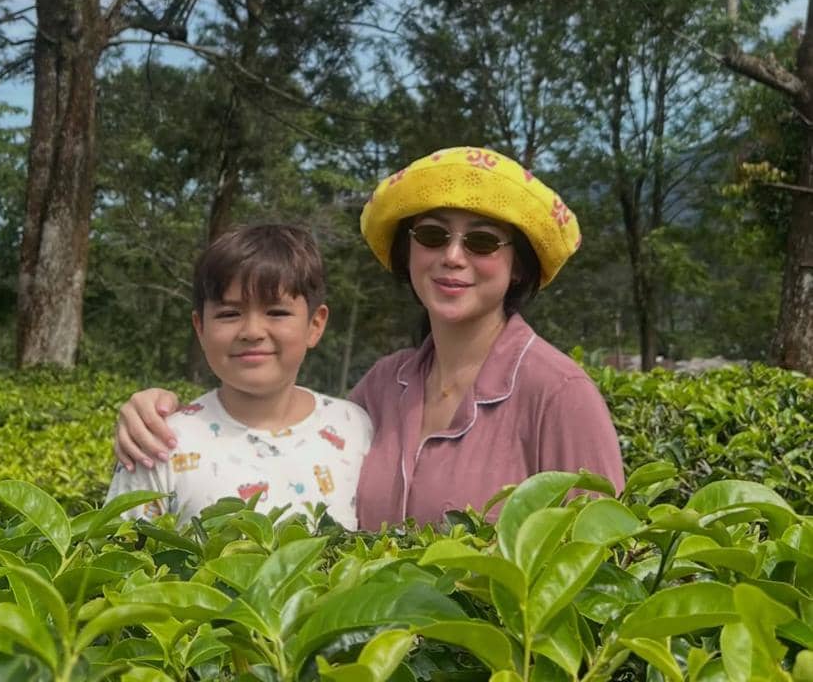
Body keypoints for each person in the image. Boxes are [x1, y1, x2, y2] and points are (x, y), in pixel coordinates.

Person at [114, 147, 624, 527]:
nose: (452, 255)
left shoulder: (557, 394)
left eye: (483, 240)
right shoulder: (383, 388)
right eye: (431, 234)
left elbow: (601, 563)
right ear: (409, 251)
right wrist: (152, 408)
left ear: (518, 268)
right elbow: (283, 425)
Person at [106, 223, 372, 527]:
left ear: (315, 325)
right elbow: (118, 557)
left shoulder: (355, 428)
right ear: (200, 328)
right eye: (229, 314)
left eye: (277, 312)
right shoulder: (158, 443)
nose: (252, 332)